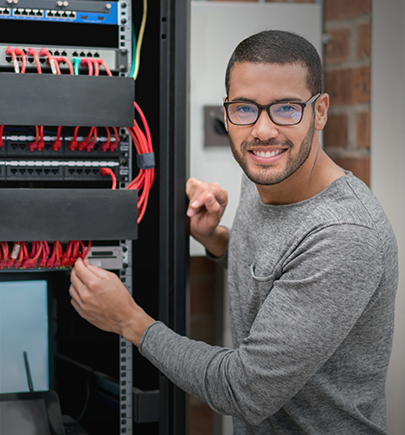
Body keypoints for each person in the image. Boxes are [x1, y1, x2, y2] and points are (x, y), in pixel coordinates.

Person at [69, 30, 398, 434]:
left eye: (286, 109)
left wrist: (129, 321)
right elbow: (278, 270)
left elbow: (242, 389)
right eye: (245, 109)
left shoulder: (345, 235)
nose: (262, 130)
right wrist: (216, 240)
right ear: (227, 113)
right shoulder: (264, 175)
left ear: (321, 110)